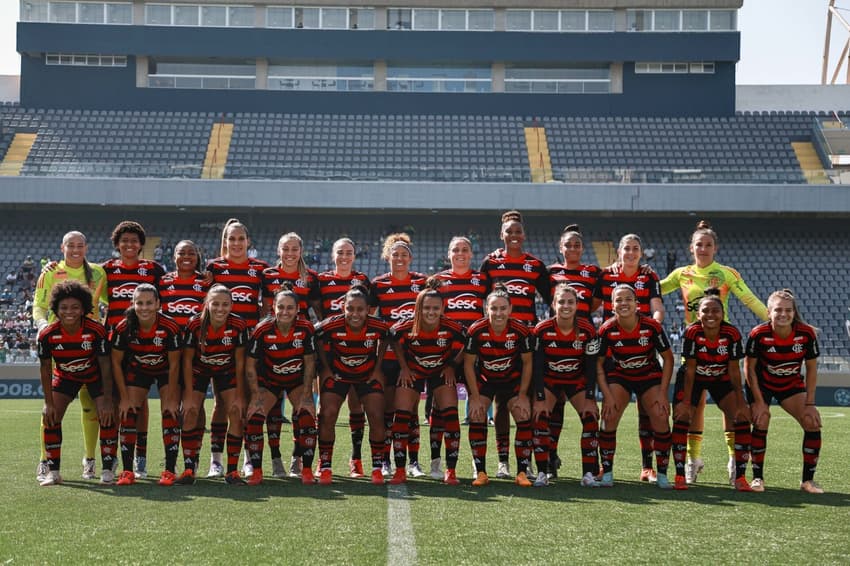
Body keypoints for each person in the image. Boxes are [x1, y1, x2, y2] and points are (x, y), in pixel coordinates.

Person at [661, 220, 768, 484]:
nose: (703, 249)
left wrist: (776, 321)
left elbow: (750, 299)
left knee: (729, 408)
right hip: (694, 347)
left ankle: (733, 459)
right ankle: (693, 460)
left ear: (715, 248)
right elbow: (655, 289)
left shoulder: (726, 273)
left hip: (722, 346)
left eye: (708, 245)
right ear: (692, 248)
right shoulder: (681, 274)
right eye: (699, 244)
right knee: (692, 407)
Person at [478, 211, 549, 480]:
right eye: (509, 232)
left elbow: (552, 298)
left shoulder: (535, 265)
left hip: (526, 341)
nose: (514, 236)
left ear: (524, 234)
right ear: (502, 234)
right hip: (497, 340)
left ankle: (526, 460)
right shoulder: (491, 263)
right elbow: (481, 299)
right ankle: (503, 461)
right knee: (500, 401)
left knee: (525, 401)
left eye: (518, 231)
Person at [33, 231, 108, 482]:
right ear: (62, 247)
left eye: (80, 245)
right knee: (52, 407)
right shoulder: (51, 272)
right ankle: (45, 461)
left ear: (86, 248)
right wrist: (43, 324)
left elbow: (113, 301)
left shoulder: (98, 273)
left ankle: (90, 460)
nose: (75, 250)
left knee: (91, 406)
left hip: (91, 344)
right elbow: (38, 305)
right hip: (58, 344)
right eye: (70, 245)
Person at [596, 233, 664, 482]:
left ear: (641, 252)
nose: (632, 253)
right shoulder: (605, 275)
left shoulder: (649, 275)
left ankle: (648, 467)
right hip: (614, 353)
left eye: (636, 248)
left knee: (648, 412)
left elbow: (657, 308)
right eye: (627, 248)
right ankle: (606, 468)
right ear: (619, 251)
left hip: (644, 349)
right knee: (610, 410)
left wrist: (650, 328)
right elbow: (591, 305)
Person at [101, 220, 166, 479]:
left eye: (134, 240)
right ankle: (112, 456)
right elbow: (77, 277)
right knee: (118, 401)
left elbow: (170, 292)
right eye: (124, 240)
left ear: (141, 244)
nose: (129, 244)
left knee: (140, 402)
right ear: (117, 244)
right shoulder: (105, 270)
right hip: (114, 343)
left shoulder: (154, 269)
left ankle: (140, 456)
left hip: (145, 342)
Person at [206, 219, 269, 478]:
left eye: (240, 238)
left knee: (244, 403)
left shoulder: (260, 269)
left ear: (248, 241)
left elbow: (266, 302)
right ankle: (215, 460)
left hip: (250, 347)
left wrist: (261, 327)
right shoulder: (214, 267)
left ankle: (246, 458)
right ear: (225, 242)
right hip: (221, 346)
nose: (236, 243)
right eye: (231, 239)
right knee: (221, 404)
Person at [672, 289, 752, 491]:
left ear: (722, 313)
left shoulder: (731, 333)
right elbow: (690, 370)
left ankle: (738, 470)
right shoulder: (692, 332)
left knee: (741, 417)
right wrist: (686, 402)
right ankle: (683, 471)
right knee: (683, 416)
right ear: (698, 315)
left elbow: (734, 370)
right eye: (705, 311)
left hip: (721, 378)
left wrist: (741, 402)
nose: (710, 315)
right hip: (694, 378)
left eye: (715, 311)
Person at [596, 284, 675, 489]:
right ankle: (607, 473)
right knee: (609, 415)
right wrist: (608, 396)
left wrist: (663, 393)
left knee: (659, 414)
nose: (623, 303)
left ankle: (663, 474)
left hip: (649, 376)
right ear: (612, 306)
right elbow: (597, 365)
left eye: (628, 299)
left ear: (636, 304)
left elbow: (668, 358)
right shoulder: (606, 329)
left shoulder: (652, 327)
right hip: (620, 376)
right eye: (618, 300)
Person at [37, 280, 116, 486]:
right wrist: (48, 402)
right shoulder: (47, 335)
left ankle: (107, 468)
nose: (69, 311)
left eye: (75, 307)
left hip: (95, 377)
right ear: (56, 309)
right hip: (65, 377)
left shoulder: (96, 331)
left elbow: (106, 367)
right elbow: (45, 369)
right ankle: (53, 473)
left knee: (106, 414)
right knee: (51, 416)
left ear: (83, 309)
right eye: (63, 307)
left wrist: (108, 400)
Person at [744, 289, 823, 494]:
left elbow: (812, 368)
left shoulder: (806, 334)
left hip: (790, 384)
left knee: (812, 422)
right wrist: (759, 402)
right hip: (762, 385)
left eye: (788, 310)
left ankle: (807, 481)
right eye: (778, 309)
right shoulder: (758, 334)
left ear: (794, 312)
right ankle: (757, 478)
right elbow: (749, 369)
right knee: (762, 419)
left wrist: (810, 404)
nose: (783, 314)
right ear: (769, 312)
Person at [387, 279, 465, 485]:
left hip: (440, 372)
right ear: (418, 308)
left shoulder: (451, 326)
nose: (431, 312)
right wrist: (403, 367)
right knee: (402, 416)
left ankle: (450, 470)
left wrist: (452, 366)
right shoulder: (406, 326)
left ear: (442, 308)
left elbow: (470, 341)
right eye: (426, 307)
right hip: (414, 372)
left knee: (450, 415)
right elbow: (392, 338)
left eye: (435, 308)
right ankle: (400, 469)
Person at [314, 284, 393, 485]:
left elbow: (388, 337)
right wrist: (325, 368)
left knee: (376, 415)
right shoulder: (330, 325)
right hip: (339, 376)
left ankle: (376, 467)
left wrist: (377, 367)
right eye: (350, 309)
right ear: (343, 308)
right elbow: (313, 335)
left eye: (360, 309)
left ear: (368, 310)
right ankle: (325, 466)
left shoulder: (378, 326)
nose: (355, 313)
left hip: (366, 376)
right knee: (327, 414)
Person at [260, 232, 321, 478]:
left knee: (302, 409)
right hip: (273, 349)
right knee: (272, 408)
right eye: (285, 248)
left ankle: (298, 459)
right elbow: (265, 311)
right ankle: (276, 461)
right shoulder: (268, 276)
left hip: (301, 350)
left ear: (301, 251)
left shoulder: (310, 278)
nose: (290, 253)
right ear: (278, 250)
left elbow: (320, 313)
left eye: (294, 249)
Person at [244, 285, 318, 485]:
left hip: (296, 381)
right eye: (281, 307)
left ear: (297, 310)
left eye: (290, 308)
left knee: (307, 416)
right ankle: (257, 471)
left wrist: (306, 394)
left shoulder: (305, 329)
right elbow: (250, 365)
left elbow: (310, 362)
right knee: (254, 417)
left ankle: (307, 470)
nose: (285, 312)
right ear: (273, 308)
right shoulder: (262, 330)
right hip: (269, 382)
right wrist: (255, 396)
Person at [545, 224, 602, 477]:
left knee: (586, 407)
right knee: (553, 406)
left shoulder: (592, 273)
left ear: (582, 247)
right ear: (561, 247)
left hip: (582, 344)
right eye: (568, 245)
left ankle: (591, 469)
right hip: (554, 344)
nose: (572, 249)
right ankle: (549, 458)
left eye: (577, 245)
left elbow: (597, 302)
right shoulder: (550, 272)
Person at [111, 284, 182, 486]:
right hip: (138, 370)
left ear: (158, 304)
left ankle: (169, 470)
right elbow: (116, 362)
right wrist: (124, 398)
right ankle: (127, 471)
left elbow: (175, 363)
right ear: (133, 304)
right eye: (139, 303)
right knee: (128, 411)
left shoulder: (170, 327)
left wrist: (170, 398)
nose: (144, 307)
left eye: (149, 303)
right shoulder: (123, 327)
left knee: (170, 411)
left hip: (165, 370)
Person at [463, 284, 534, 487]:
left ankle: (522, 471)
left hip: (511, 381)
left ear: (510, 309)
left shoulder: (520, 331)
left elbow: (528, 363)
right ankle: (480, 470)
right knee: (477, 413)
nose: (498, 312)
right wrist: (474, 397)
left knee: (523, 413)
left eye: (503, 308)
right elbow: (468, 365)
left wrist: (522, 395)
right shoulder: (476, 330)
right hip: (486, 381)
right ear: (487, 309)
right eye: (494, 308)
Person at [178, 284, 249, 485]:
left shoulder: (238, 325)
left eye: (225, 304)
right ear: (207, 304)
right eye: (215, 304)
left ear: (232, 305)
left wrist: (241, 395)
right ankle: (189, 469)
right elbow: (187, 361)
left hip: (227, 370)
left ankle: (232, 471)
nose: (220, 308)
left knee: (235, 409)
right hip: (199, 370)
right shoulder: (195, 324)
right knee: (190, 409)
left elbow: (240, 363)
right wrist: (189, 393)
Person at [370, 233, 428, 477]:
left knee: (410, 411)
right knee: (387, 410)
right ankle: (384, 461)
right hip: (386, 359)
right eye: (395, 254)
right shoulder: (379, 284)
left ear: (411, 258)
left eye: (404, 255)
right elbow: (371, 318)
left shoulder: (421, 283)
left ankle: (413, 462)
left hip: (413, 359)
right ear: (387, 257)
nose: (400, 258)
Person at [532, 284, 601, 487]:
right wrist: (539, 397)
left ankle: (588, 474)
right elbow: (537, 367)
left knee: (590, 417)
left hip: (576, 381)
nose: (566, 305)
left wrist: (590, 397)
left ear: (577, 305)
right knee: (540, 416)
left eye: (570, 302)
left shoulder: (588, 330)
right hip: (549, 381)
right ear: (554, 304)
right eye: (561, 301)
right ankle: (543, 472)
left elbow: (591, 367)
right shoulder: (542, 330)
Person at [432, 236, 488, 478]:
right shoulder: (438, 281)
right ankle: (436, 462)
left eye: (465, 249)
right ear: (449, 253)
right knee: (442, 409)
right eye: (456, 249)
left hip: (475, 355)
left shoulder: (482, 280)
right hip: (446, 355)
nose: (460, 253)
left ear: (471, 253)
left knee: (477, 409)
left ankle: (478, 464)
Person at [315, 238, 372, 478]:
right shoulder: (323, 280)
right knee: (326, 408)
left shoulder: (363, 281)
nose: (345, 256)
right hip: (330, 352)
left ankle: (356, 459)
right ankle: (323, 461)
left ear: (355, 255)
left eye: (349, 252)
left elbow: (370, 313)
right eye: (340, 252)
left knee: (356, 404)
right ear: (333, 255)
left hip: (358, 351)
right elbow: (319, 311)